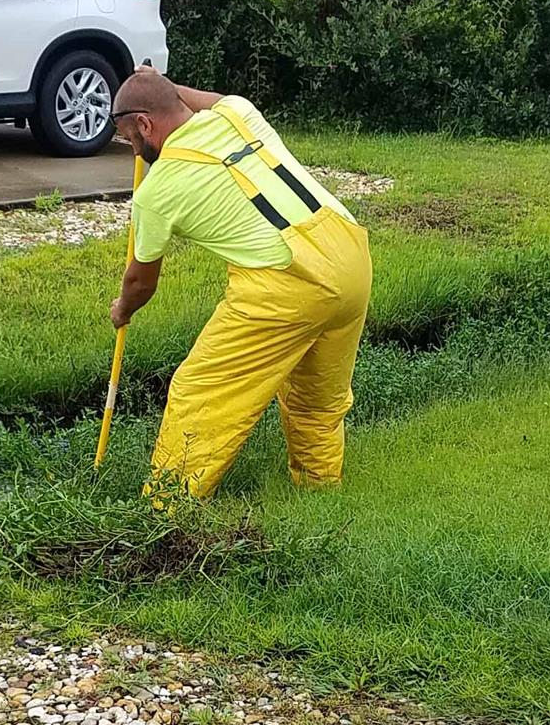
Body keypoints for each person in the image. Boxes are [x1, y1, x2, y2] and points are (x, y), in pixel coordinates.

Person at [109, 66, 371, 497]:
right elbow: (195, 99)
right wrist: (165, 85)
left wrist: (122, 310)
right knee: (317, 399)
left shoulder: (155, 193)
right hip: (351, 252)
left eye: (130, 139)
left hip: (290, 283)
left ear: (144, 124)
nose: (134, 152)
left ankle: (167, 510)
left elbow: (140, 283)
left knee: (200, 394)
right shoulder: (238, 114)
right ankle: (319, 492)